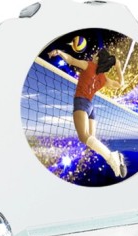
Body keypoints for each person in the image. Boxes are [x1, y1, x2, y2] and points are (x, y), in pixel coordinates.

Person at [48, 48, 127, 178]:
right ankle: (114, 159)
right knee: (91, 141)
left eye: (95, 55)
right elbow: (120, 84)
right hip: (90, 107)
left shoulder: (88, 65)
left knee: (83, 137)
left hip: (81, 103)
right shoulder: (104, 78)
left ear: (98, 58)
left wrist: (60, 52)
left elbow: (71, 60)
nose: (93, 56)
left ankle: (112, 157)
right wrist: (118, 66)